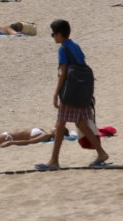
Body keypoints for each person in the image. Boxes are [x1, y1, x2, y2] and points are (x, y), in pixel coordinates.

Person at [38, 20, 109, 170]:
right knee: (81, 123)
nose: (53, 37)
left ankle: (54, 161)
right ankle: (101, 153)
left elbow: (63, 73)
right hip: (82, 92)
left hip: (70, 93)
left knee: (60, 125)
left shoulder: (63, 49)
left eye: (53, 34)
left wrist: (56, 93)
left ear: (59, 34)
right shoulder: (75, 46)